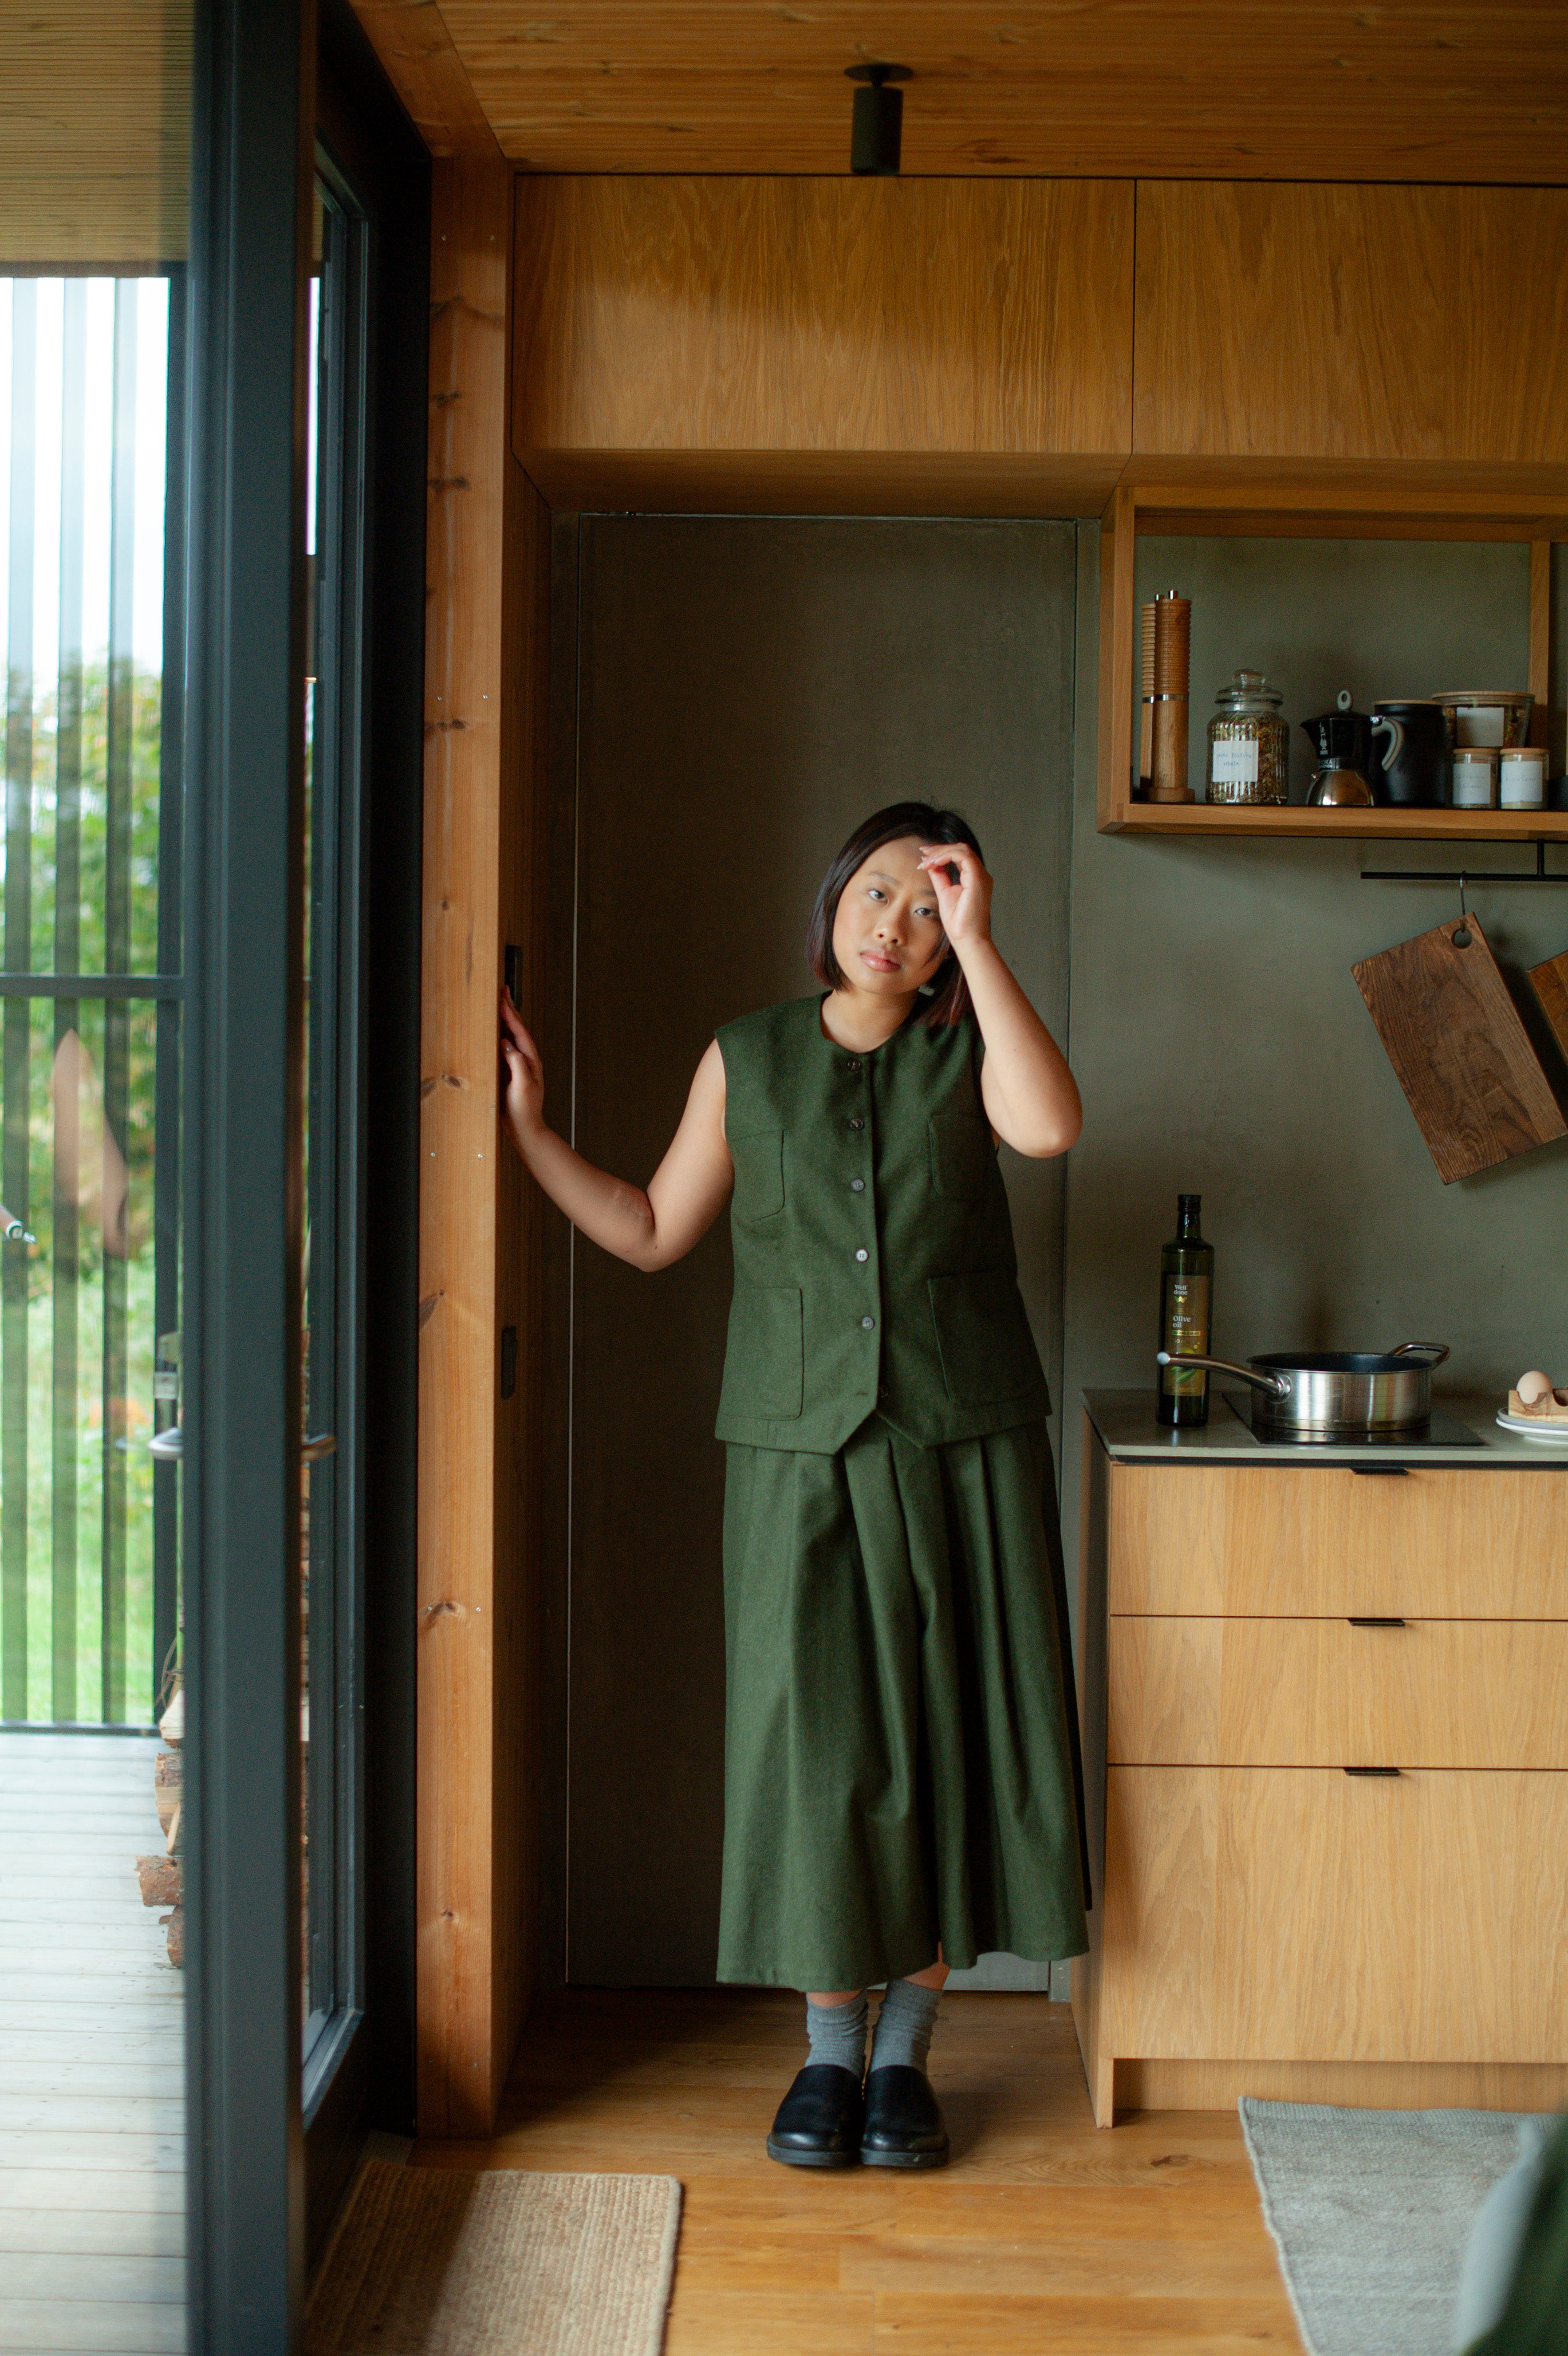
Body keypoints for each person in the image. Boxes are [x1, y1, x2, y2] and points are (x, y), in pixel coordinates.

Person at [501, 800, 1089, 2170]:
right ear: (831, 899)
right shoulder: (746, 1056)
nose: (896, 921)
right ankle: (828, 2054)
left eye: (929, 903)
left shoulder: (971, 1044)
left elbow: (1049, 1129)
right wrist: (530, 1129)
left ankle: (905, 2062)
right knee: (816, 1749)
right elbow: (650, 1230)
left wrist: (985, 948)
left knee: (950, 1738)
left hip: (964, 1447)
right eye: (878, 889)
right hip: (793, 1454)